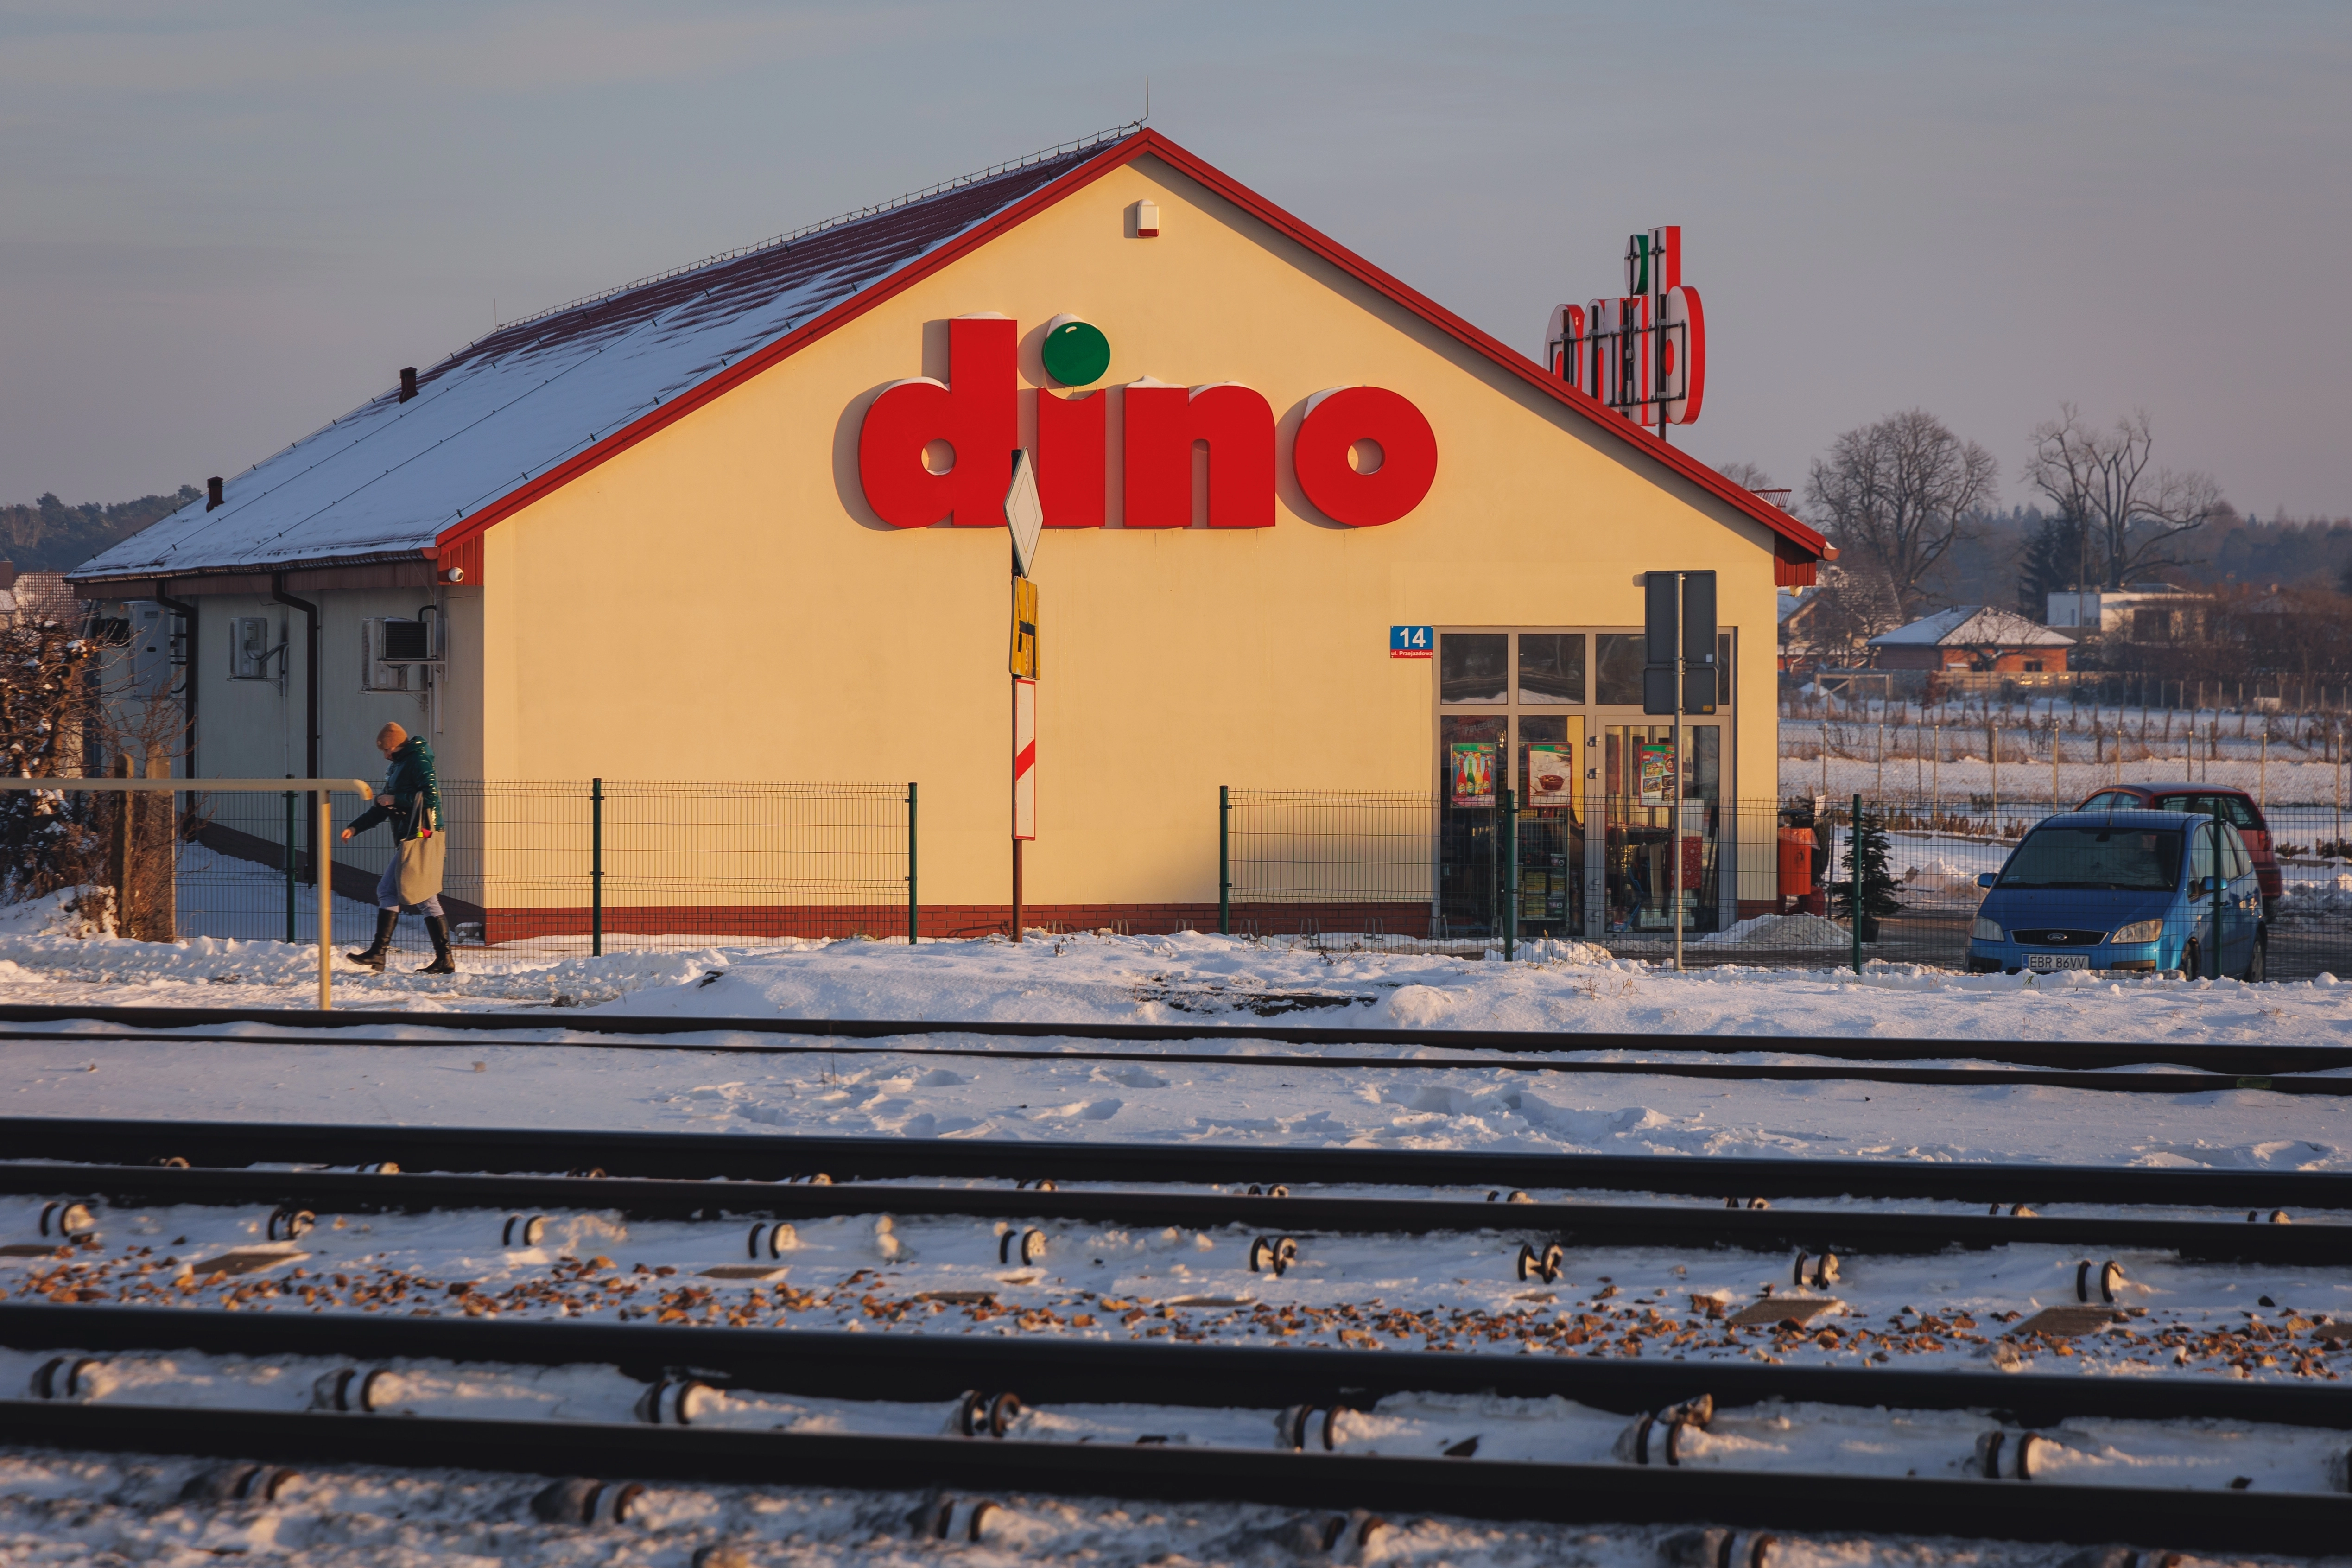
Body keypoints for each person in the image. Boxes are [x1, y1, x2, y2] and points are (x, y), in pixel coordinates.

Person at [341, 721, 453, 974]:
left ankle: (380, 954)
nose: (384, 755)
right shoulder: (398, 766)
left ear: (393, 746)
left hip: (422, 836)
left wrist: (395, 799)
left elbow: (431, 798)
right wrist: (356, 827)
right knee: (424, 898)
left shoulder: (418, 761)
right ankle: (441, 959)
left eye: (385, 750)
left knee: (395, 891)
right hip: (412, 837)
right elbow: (383, 808)